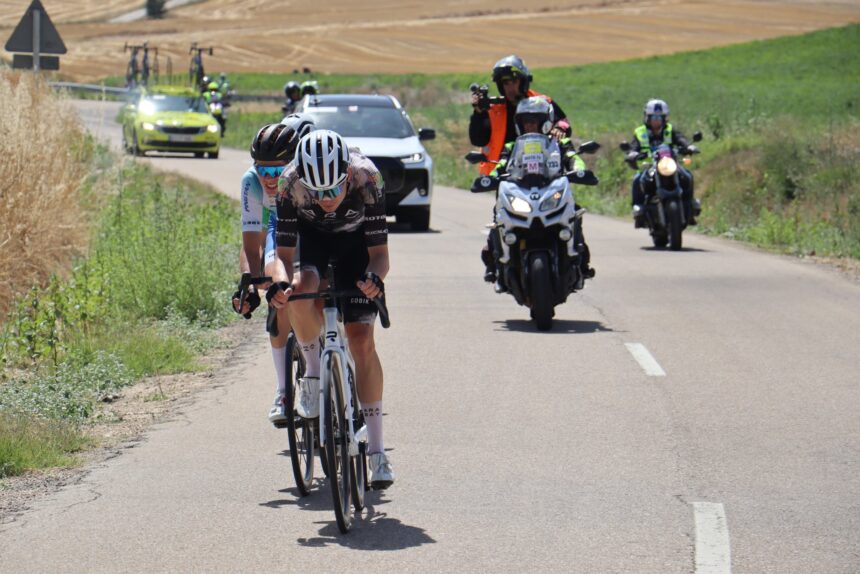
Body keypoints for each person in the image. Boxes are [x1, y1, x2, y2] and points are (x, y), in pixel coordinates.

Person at [267, 129, 394, 489]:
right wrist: (279, 283)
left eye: (334, 190)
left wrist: (374, 278)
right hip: (313, 242)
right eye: (318, 192)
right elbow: (283, 256)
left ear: (346, 177)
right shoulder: (290, 184)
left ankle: (378, 453)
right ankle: (311, 374)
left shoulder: (367, 177)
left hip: (357, 243)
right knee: (299, 290)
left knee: (362, 340)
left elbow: (380, 255)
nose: (325, 199)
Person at [231, 116, 316, 425]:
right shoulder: (251, 182)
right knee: (281, 294)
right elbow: (251, 242)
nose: (268, 178)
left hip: (310, 226)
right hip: (276, 227)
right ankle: (283, 391)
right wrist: (250, 284)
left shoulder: (308, 176)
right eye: (262, 169)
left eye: (276, 171)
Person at [482, 96, 594, 284]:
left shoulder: (558, 142)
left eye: (533, 121)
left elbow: (574, 157)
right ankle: (494, 264)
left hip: (551, 188)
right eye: (525, 122)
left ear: (545, 122)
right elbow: (501, 164)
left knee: (575, 212)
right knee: (498, 213)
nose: (529, 126)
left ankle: (580, 261)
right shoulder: (512, 146)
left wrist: (580, 171)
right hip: (521, 190)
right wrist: (491, 178)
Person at [469, 55, 571, 176]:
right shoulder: (493, 110)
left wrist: (559, 128)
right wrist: (478, 114)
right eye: (506, 83)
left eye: (514, 81)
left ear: (523, 81)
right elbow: (478, 140)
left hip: (545, 171)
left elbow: (563, 122)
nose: (510, 88)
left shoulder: (543, 102)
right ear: (501, 86)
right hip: (504, 175)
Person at [625, 99, 700, 226]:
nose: (656, 120)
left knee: (687, 176)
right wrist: (632, 153)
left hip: (670, 164)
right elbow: (633, 146)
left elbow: (681, 139)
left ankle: (690, 206)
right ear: (647, 118)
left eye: (660, 117)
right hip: (649, 166)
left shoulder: (670, 130)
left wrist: (688, 146)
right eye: (653, 117)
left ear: (665, 118)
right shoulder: (640, 132)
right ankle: (639, 210)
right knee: (637, 180)